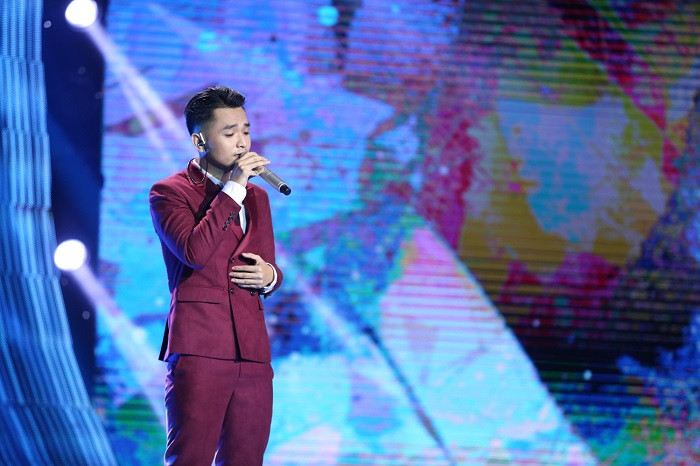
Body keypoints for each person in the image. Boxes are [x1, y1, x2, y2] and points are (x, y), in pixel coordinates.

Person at [149, 86, 283, 465]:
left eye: (246, 131)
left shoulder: (258, 197)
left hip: (252, 351)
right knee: (191, 457)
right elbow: (194, 252)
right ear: (200, 141)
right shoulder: (170, 192)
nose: (242, 142)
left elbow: (264, 262)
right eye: (229, 133)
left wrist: (270, 277)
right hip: (200, 346)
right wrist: (234, 186)